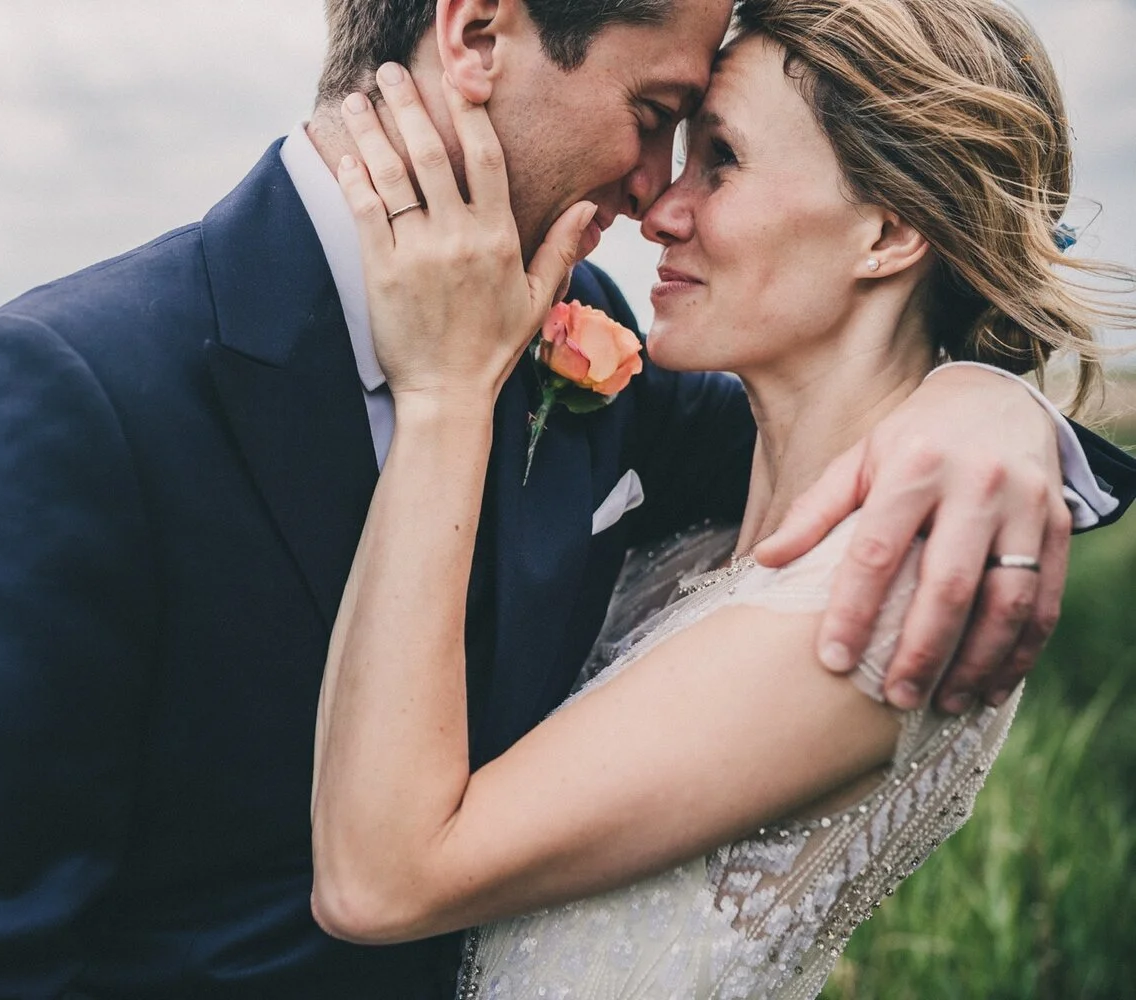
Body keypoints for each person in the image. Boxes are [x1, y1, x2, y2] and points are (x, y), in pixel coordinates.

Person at [0, 1, 1136, 997]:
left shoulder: (590, 334)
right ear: (480, 34)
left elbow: (836, 428)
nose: (654, 195)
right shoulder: (72, 389)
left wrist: (994, 404)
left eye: (709, 149)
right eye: (657, 114)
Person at [308, 0, 1136, 997]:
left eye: (723, 160)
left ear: (887, 231)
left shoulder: (877, 600)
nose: (659, 207)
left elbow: (378, 881)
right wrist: (993, 400)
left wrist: (445, 393)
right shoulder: (709, 525)